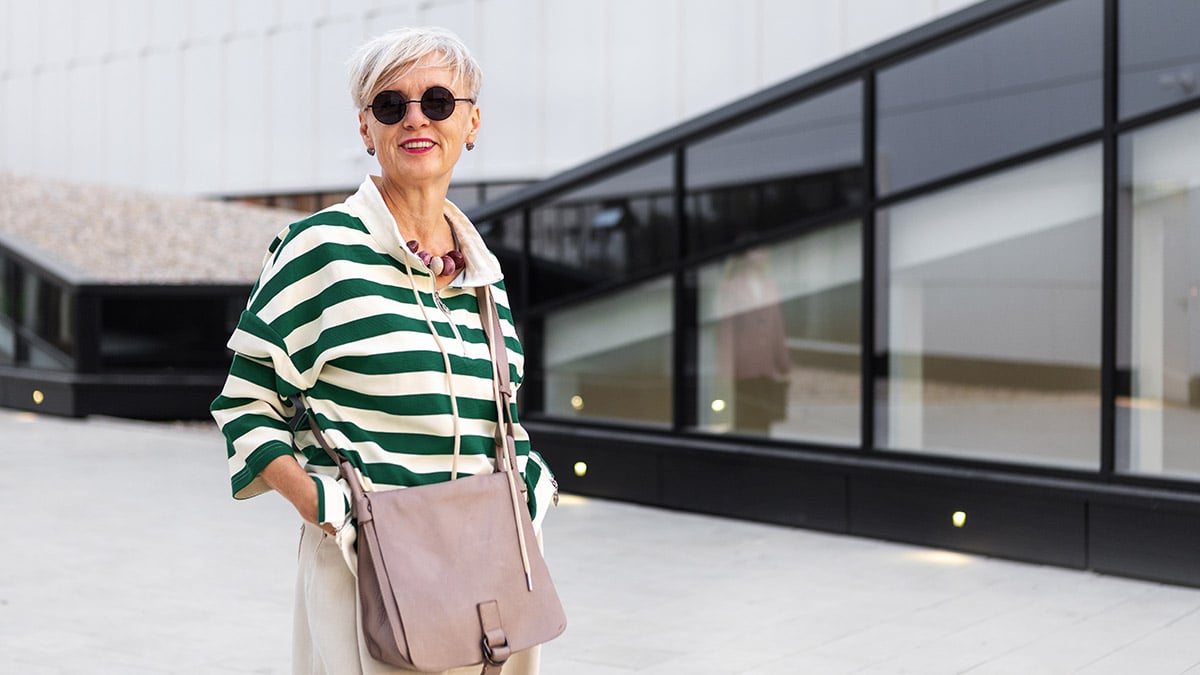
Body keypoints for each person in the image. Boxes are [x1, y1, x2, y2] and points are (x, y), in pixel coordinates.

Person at [210, 26, 556, 675]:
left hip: (493, 573)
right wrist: (325, 507)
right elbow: (245, 401)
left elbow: (501, 416)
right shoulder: (320, 249)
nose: (416, 118)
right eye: (391, 105)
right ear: (367, 129)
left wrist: (534, 495)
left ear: (471, 121)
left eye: (437, 101)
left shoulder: (483, 270)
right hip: (374, 576)